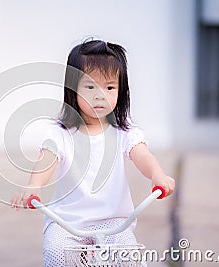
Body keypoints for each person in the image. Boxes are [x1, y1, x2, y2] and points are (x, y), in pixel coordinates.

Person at [10, 39, 175, 266]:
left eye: (109, 87)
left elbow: (143, 155)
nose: (100, 95)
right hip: (67, 223)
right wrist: (34, 184)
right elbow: (47, 160)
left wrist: (157, 175)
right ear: (72, 89)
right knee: (58, 253)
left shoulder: (124, 132)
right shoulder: (60, 133)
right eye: (90, 87)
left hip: (115, 222)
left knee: (129, 258)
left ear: (121, 91)